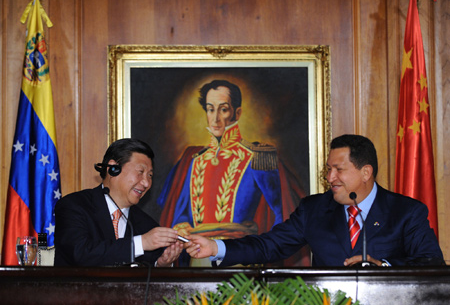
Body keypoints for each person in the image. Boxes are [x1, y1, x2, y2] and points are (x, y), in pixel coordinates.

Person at [185, 134, 444, 267]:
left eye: (338, 169)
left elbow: (430, 262)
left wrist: (383, 266)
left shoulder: (407, 211)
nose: (330, 177)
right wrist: (216, 248)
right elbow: (269, 246)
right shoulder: (314, 209)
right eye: (327, 169)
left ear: (366, 172)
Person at [157, 79, 307, 266]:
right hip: (197, 259)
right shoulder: (194, 159)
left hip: (242, 257)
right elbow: (181, 213)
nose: (216, 118)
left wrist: (269, 259)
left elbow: (281, 215)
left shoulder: (258, 156)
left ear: (237, 113)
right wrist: (182, 226)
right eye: (211, 109)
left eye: (224, 109)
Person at [54, 138, 184, 266]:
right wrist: (139, 244)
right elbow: (80, 253)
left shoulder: (147, 225)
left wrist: (161, 264)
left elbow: (151, 272)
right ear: (113, 168)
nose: (146, 183)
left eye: (150, 176)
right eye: (140, 172)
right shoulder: (74, 206)